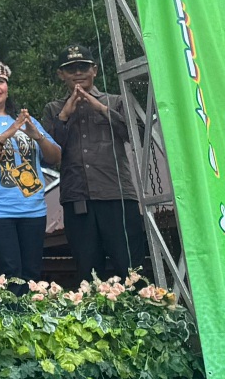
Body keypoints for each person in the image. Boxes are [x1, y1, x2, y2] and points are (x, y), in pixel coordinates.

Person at [43, 45, 149, 282]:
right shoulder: (53, 109)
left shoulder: (116, 100)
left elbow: (136, 134)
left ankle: (140, 315)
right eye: (71, 69)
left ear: (95, 70)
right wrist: (64, 116)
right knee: (88, 272)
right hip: (77, 198)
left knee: (130, 268)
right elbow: (49, 153)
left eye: (83, 67)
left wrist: (99, 107)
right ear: (62, 74)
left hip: (116, 195)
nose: (78, 73)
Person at [0, 59, 60, 281]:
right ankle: (12, 315)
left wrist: (38, 136)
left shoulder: (28, 120)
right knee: (9, 273)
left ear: (7, 89)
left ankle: (31, 315)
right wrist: (8, 133)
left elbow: (55, 157)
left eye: (0, 81)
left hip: (33, 208)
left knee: (33, 274)